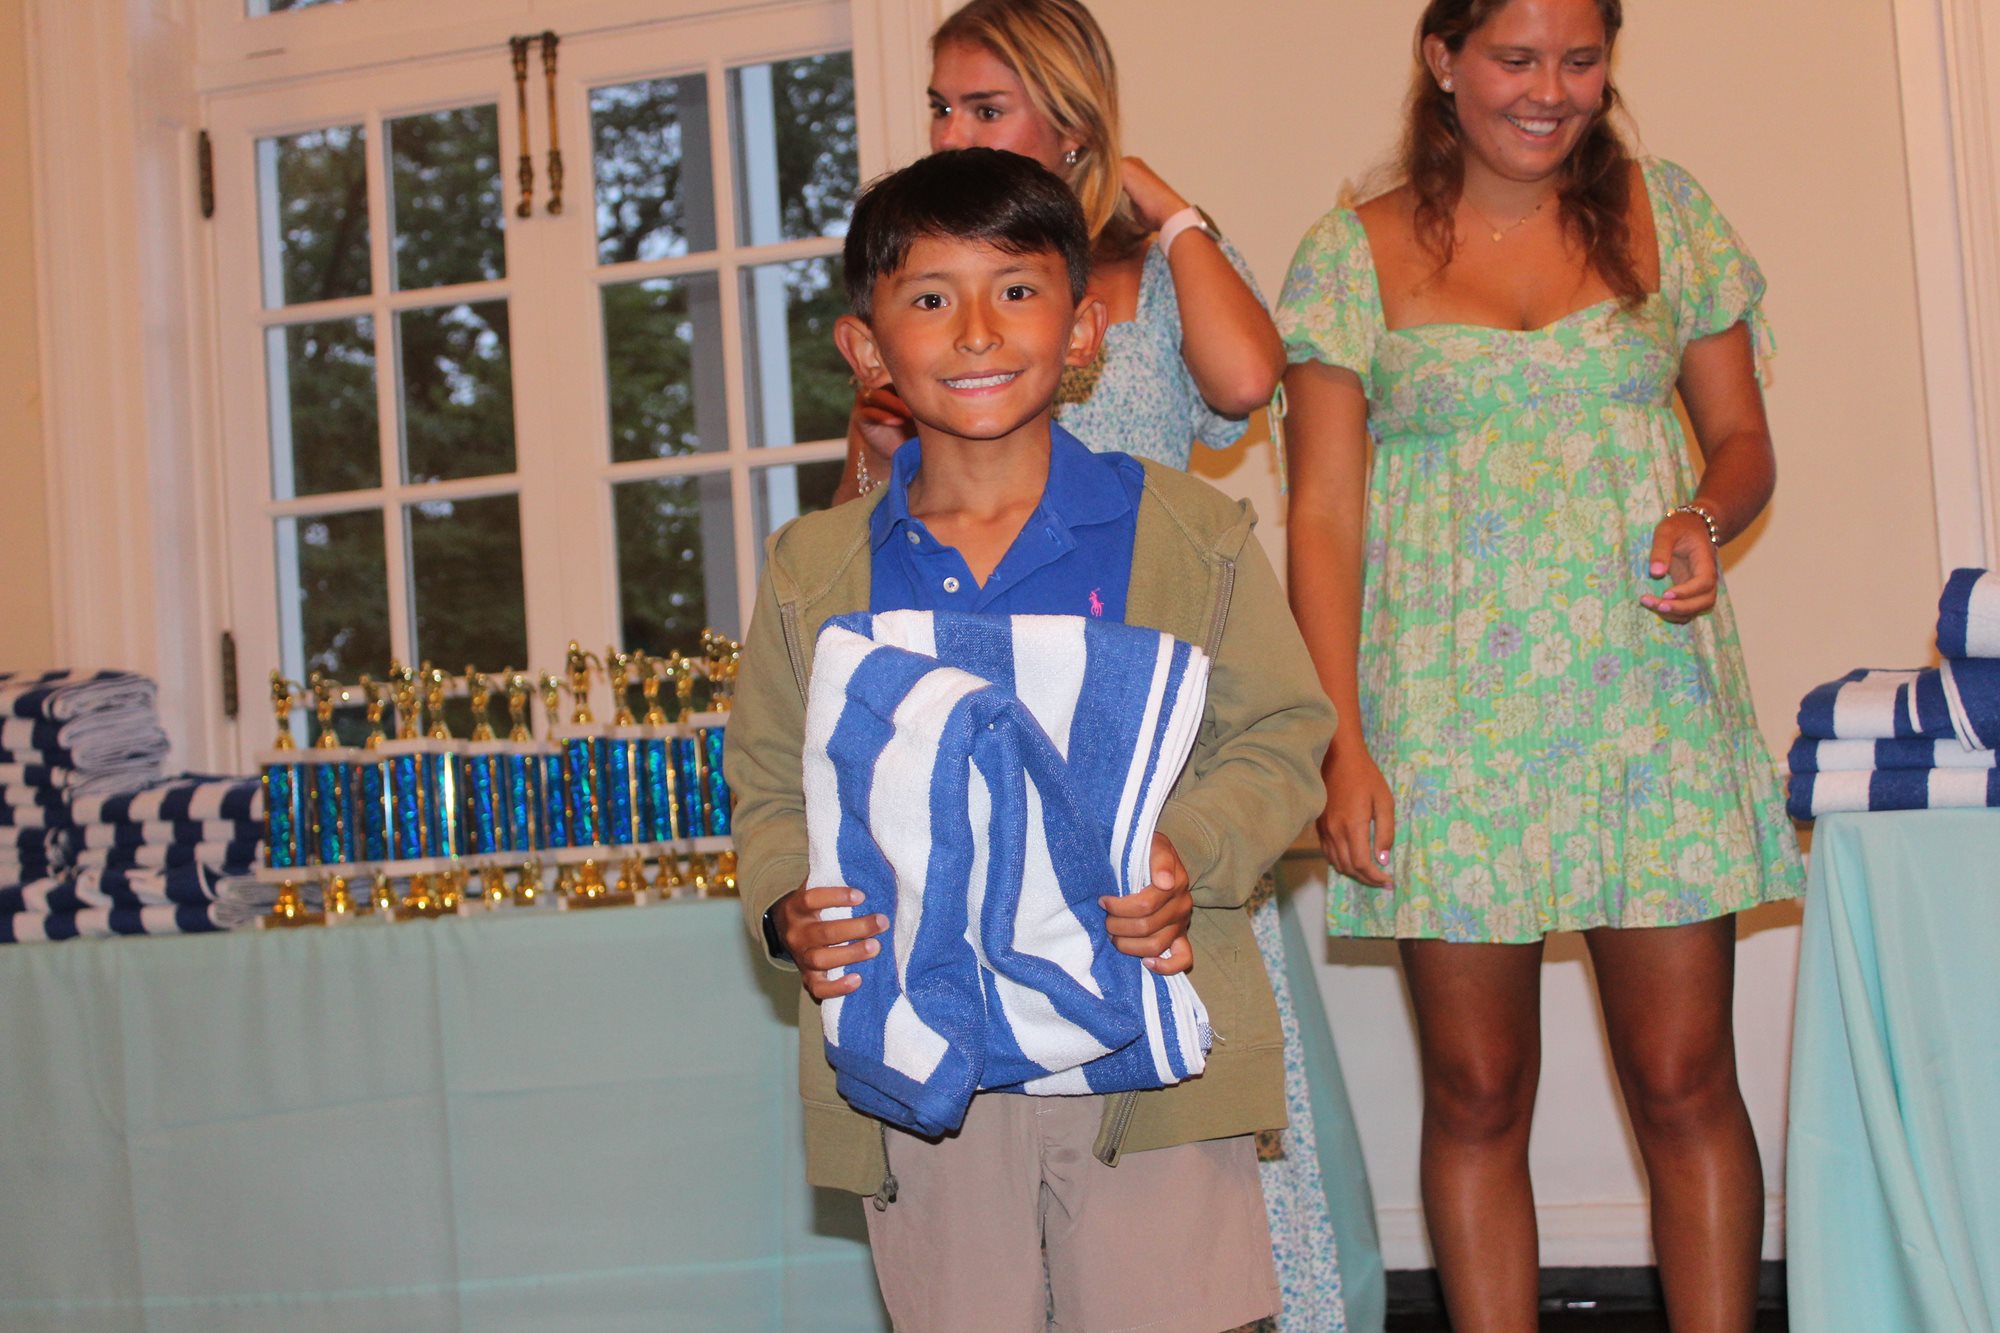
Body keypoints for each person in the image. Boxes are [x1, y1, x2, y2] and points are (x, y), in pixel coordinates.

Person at [725, 147, 1334, 1332]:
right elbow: (766, 778)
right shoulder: (816, 569)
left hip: (1151, 1056)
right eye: (928, 297)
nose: (975, 331)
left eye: (1014, 289)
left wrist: (1191, 850)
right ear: (865, 349)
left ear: (1083, 328)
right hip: (922, 1069)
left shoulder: (1185, 534)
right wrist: (787, 903)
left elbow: (1280, 732)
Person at [834, 7, 1375, 1328]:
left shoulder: (1147, 272)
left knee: (1181, 1136)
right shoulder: (934, 309)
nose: (951, 130)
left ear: (1070, 121)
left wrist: (1163, 205)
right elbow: (863, 543)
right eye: (941, 106)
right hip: (986, 734)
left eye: (985, 107)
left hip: (1151, 752)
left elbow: (1245, 382)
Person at [1277, 0, 1805, 1328]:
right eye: (1515, 58)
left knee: (1685, 1078)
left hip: (1647, 704)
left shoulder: (1665, 217)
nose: (1549, 90)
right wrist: (1342, 740)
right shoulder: (1349, 255)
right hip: (1444, 721)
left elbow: (1741, 442)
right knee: (1474, 1091)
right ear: (1443, 59)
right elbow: (1322, 517)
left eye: (1580, 59)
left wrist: (1703, 518)